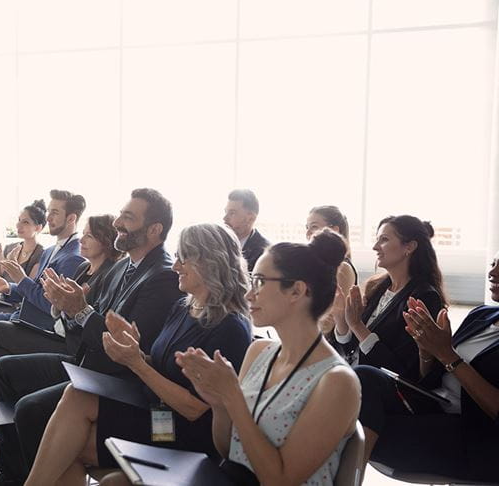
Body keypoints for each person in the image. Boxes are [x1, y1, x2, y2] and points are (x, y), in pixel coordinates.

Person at [0, 188, 183, 485]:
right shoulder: (124, 265)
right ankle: (13, 470)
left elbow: (125, 347)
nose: (118, 224)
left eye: (127, 217)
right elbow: (89, 315)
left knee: (30, 408)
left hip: (116, 376)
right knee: (3, 369)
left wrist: (80, 310)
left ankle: (32, 474)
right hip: (86, 359)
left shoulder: (162, 276)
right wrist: (65, 308)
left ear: (154, 229)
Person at [25, 224, 253, 486]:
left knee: (67, 443)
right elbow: (160, 366)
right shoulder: (184, 306)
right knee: (73, 406)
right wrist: (135, 352)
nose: (175, 266)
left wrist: (136, 364)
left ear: (210, 262)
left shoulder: (230, 327)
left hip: (185, 431)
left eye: (183, 259)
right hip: (159, 413)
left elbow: (196, 409)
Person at [174, 230, 361, 485]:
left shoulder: (337, 382)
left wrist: (233, 398)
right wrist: (219, 403)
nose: (250, 294)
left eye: (260, 282)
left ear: (296, 291)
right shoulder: (259, 352)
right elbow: (229, 452)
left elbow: (279, 480)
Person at [0, 214, 120, 437]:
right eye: (83, 235)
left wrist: (27, 283)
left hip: (71, 345)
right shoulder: (84, 268)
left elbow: (76, 317)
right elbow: (57, 305)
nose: (82, 240)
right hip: (57, 332)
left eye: (89, 236)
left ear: (105, 240)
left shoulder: (108, 275)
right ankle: (0, 445)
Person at [354, 251, 499, 481]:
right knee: (362, 378)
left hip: (474, 433)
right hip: (434, 404)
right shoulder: (481, 315)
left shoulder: (425, 292)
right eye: (493, 263)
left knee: (362, 430)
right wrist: (426, 352)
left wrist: (447, 355)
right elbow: (432, 377)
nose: (492, 273)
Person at [0, 189, 86, 357]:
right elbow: (35, 291)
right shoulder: (50, 251)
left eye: (54, 212)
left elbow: (52, 306)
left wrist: (21, 278)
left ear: (71, 218)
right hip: (20, 316)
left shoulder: (73, 257)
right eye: (48, 211)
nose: (48, 218)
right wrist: (8, 287)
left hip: (35, 326)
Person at [334, 215, 446, 380]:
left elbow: (402, 371)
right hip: (355, 380)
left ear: (409, 247)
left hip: (382, 393)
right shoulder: (377, 287)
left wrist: (357, 325)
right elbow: (352, 350)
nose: (375, 247)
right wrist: (341, 318)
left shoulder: (424, 297)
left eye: (384, 240)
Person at [305, 206, 358, 340]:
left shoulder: (343, 268)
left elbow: (331, 319)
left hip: (327, 342)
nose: (308, 232)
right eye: (307, 227)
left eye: (314, 227)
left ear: (334, 230)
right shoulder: (316, 265)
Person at [224, 189, 269, 270]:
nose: (225, 218)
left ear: (250, 218)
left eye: (232, 213)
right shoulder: (219, 244)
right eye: (225, 212)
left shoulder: (265, 253)